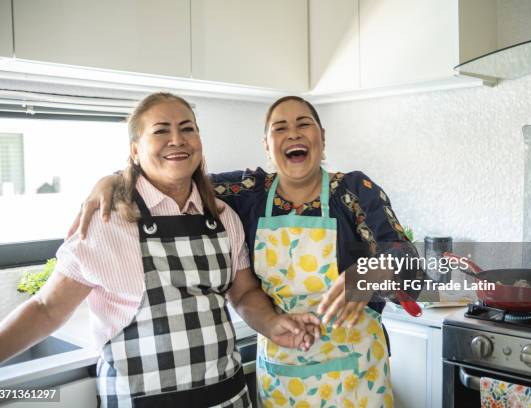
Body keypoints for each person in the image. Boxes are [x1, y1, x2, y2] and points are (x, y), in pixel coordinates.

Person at [74, 96, 423, 407]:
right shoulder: (247, 192)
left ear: (322, 137)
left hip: (357, 377)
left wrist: (369, 273)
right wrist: (118, 179)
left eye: (304, 124)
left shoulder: (353, 192)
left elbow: (414, 270)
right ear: (267, 147)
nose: (293, 133)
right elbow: (173, 175)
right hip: (284, 376)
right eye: (279, 127)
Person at [0, 93, 320, 408]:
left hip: (234, 394)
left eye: (187, 128)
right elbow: (46, 309)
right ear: (134, 150)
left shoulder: (225, 215)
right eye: (162, 131)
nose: (178, 139)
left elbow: (244, 292)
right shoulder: (108, 219)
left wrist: (282, 320)